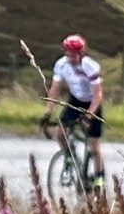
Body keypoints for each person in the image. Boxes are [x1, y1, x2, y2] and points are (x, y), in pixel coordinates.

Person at [41, 33, 107, 184]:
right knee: (60, 133)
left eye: (74, 56)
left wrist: (89, 115)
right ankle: (69, 156)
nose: (70, 59)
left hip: (92, 103)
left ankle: (99, 178)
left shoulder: (90, 66)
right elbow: (54, 89)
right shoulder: (61, 65)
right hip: (75, 100)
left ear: (81, 53)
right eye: (68, 55)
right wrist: (48, 112)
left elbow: (98, 95)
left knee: (94, 146)